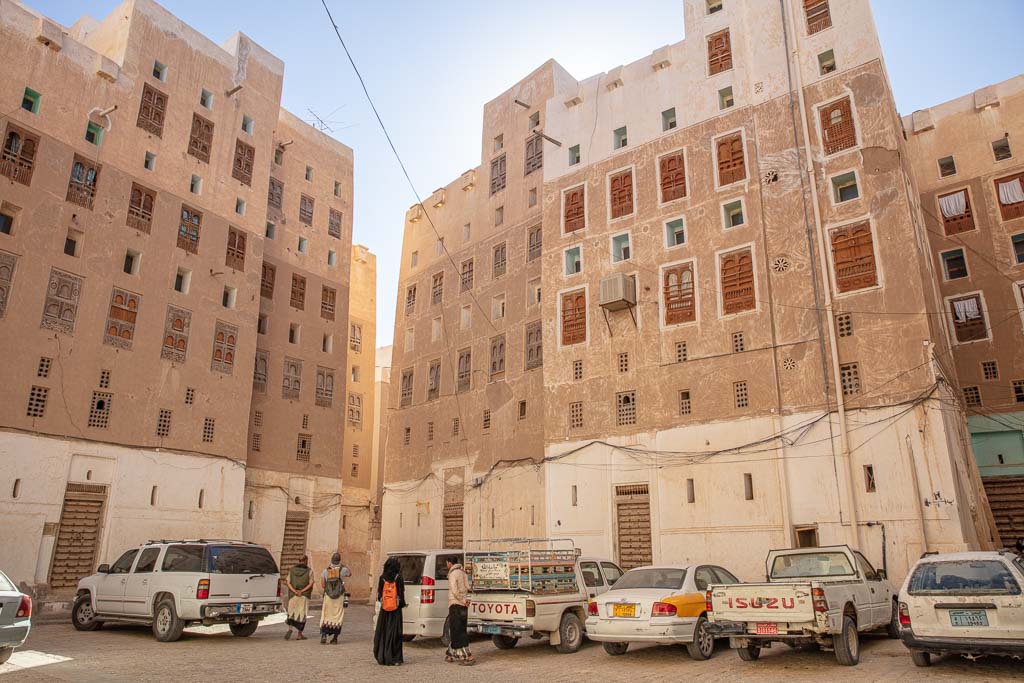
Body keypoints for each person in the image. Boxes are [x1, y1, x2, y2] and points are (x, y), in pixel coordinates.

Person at [373, 556, 406, 666]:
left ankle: (382, 657)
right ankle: (395, 658)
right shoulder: (398, 578)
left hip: (385, 611)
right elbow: (401, 595)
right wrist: (401, 604)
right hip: (395, 611)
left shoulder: (382, 578)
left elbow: (379, 595)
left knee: (384, 633)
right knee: (395, 633)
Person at [445, 556, 475, 665]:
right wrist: (466, 600)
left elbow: (454, 591)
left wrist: (462, 600)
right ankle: (450, 654)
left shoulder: (453, 574)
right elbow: (468, 587)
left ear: (449, 563)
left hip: (456, 605)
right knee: (460, 629)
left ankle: (468, 656)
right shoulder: (463, 573)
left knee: (456, 631)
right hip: (463, 606)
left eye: (447, 563)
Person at [320, 552, 351, 644]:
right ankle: (335, 638)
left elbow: (323, 585)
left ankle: (324, 634)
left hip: (328, 596)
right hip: (339, 596)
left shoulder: (325, 571)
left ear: (331, 560)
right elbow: (350, 574)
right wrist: (343, 565)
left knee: (326, 615)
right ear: (339, 560)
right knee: (338, 616)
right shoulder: (343, 570)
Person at [284, 555, 313, 640]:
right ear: (306, 561)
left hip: (293, 595)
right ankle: (299, 634)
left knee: (292, 613)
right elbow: (311, 583)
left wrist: (294, 591)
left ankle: (290, 629)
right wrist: (302, 591)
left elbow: (288, 582)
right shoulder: (309, 571)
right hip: (304, 595)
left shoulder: (292, 570)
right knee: (302, 614)